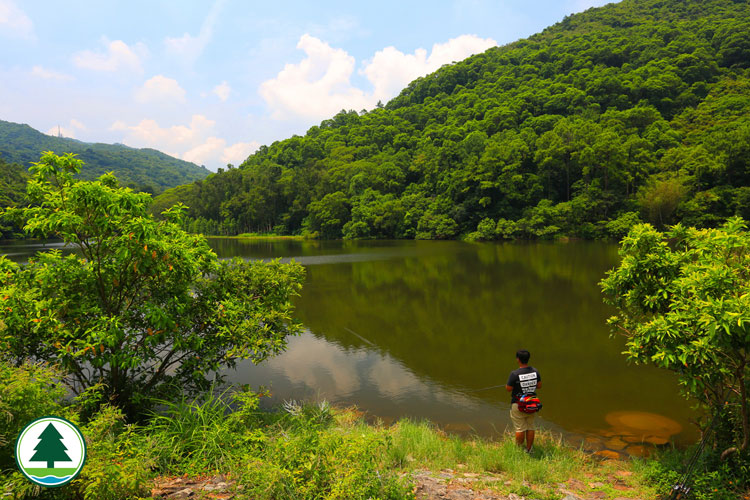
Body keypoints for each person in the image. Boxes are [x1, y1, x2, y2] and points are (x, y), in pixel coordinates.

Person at [506, 349, 541, 452]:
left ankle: (518, 450)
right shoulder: (535, 371)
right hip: (532, 403)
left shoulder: (514, 374)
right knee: (530, 427)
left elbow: (508, 389)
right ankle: (529, 449)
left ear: (518, 359)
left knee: (520, 428)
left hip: (519, 404)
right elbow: (539, 386)